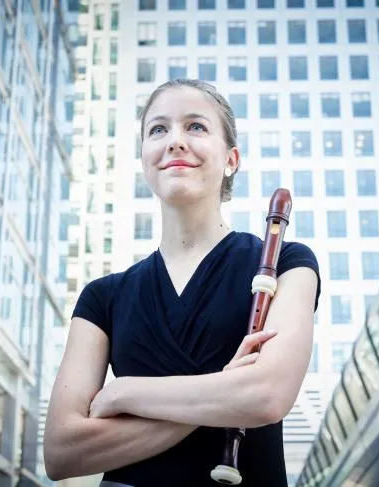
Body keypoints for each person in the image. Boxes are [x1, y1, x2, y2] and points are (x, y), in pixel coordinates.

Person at [43, 79, 321, 487]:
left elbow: (267, 396)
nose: (175, 141)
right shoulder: (102, 297)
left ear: (231, 159)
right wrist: (225, 390)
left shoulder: (289, 262)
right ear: (145, 158)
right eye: (158, 129)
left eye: (195, 127)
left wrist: (125, 394)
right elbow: (61, 452)